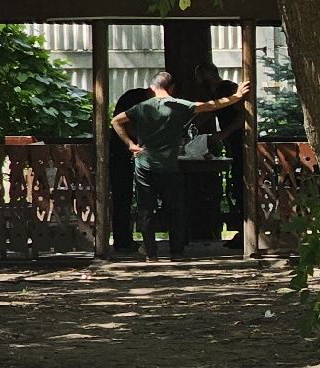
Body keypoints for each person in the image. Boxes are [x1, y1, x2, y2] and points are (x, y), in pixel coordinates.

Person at [110, 70, 251, 260]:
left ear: (152, 86)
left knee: (146, 210)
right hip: (168, 166)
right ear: (172, 88)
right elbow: (210, 106)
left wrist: (131, 145)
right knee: (175, 209)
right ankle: (176, 252)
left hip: (144, 165)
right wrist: (236, 96)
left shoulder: (142, 107)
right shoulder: (179, 106)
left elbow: (115, 120)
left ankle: (151, 253)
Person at [193, 63, 243, 249]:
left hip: (240, 142)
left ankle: (244, 231)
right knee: (235, 184)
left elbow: (242, 117)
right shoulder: (214, 95)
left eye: (202, 78)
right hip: (232, 144)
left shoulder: (227, 89)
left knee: (240, 184)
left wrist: (223, 134)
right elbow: (207, 114)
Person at [107, 88, 150, 254]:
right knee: (122, 195)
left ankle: (123, 239)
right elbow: (128, 124)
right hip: (121, 152)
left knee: (123, 196)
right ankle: (123, 240)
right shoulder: (137, 100)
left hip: (123, 150)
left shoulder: (135, 97)